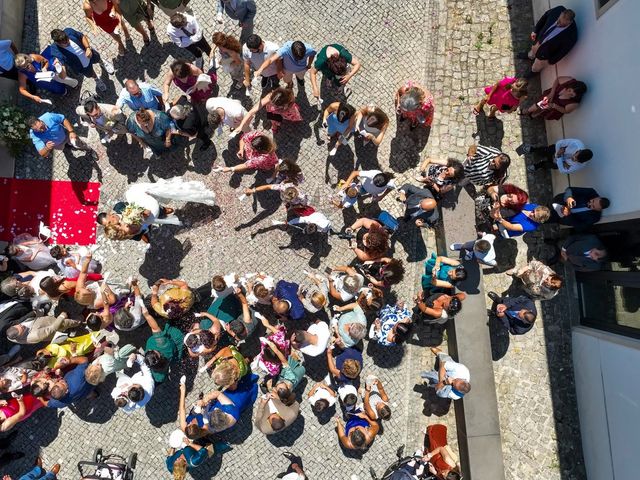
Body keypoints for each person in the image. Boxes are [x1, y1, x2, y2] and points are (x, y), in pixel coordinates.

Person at [48, 28, 114, 92]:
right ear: (57, 43)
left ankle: (102, 63)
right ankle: (97, 80)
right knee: (91, 73)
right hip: (82, 67)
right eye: (65, 43)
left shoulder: (69, 31)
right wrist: (59, 68)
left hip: (90, 54)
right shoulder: (55, 50)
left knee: (97, 58)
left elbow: (82, 36)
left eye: (68, 40)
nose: (68, 43)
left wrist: (87, 48)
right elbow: (63, 76)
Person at [520, 6, 577, 76]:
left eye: (562, 23)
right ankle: (530, 56)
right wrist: (535, 31)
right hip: (538, 40)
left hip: (545, 54)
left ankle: (534, 71)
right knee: (533, 50)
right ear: (561, 13)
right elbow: (545, 17)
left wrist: (551, 61)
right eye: (559, 19)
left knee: (537, 65)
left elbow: (563, 51)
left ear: (569, 22)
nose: (558, 23)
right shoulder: (558, 9)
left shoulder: (572, 35)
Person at [233, 87, 302, 134]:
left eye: (275, 105)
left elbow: (292, 103)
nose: (273, 105)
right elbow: (251, 112)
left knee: (293, 116)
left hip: (287, 111)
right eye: (272, 102)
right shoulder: (270, 97)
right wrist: (241, 126)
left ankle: (294, 120)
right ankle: (274, 126)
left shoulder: (289, 96)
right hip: (273, 113)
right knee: (274, 120)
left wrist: (283, 110)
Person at [143, 306, 184, 383]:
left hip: (175, 356)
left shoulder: (158, 369)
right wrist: (146, 315)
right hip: (176, 338)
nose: (150, 349)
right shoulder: (161, 343)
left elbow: (159, 379)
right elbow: (155, 328)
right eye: (152, 351)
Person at [28, 112, 92, 157]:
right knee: (66, 147)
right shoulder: (34, 135)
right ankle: (68, 145)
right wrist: (47, 148)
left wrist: (71, 131)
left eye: (41, 127)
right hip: (58, 145)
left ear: (41, 121)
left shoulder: (49, 117)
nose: (42, 130)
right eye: (38, 130)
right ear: (33, 129)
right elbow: (41, 153)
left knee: (78, 142)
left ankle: (88, 148)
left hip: (66, 134)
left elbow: (63, 119)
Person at [522, 138, 593, 174]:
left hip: (559, 160)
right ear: (579, 150)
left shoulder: (580, 165)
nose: (573, 158)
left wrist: (559, 156)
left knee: (551, 165)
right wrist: (563, 161)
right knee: (546, 150)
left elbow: (563, 171)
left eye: (575, 160)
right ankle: (533, 150)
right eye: (575, 156)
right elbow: (559, 143)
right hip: (556, 151)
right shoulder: (576, 143)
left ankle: (539, 165)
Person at [6, 312, 82, 345]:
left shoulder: (10, 335)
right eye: (22, 328)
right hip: (58, 324)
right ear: (20, 335)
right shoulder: (35, 335)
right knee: (68, 323)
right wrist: (62, 316)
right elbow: (53, 328)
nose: (22, 325)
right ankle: (80, 322)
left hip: (47, 321)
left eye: (19, 325)